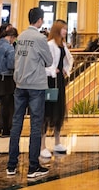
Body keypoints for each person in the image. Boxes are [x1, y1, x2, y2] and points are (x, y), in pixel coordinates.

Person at [6, 8, 52, 180]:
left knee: (16, 123)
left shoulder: (21, 36)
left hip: (19, 85)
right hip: (36, 86)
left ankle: (11, 165)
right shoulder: (40, 38)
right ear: (39, 20)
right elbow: (49, 61)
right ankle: (33, 167)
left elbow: (16, 58)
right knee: (35, 125)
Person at [41, 20, 74, 159]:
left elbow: (68, 60)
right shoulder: (50, 45)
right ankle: (42, 146)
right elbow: (44, 64)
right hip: (50, 81)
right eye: (63, 29)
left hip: (59, 81)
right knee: (48, 112)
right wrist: (53, 70)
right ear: (57, 30)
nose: (65, 31)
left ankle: (57, 142)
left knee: (58, 111)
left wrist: (66, 70)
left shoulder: (62, 45)